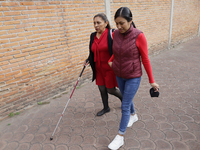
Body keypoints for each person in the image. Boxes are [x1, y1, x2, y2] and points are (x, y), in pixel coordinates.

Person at [107, 7, 159, 150]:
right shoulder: (115, 34)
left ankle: (120, 137)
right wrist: (110, 60)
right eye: (116, 23)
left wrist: (151, 80)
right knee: (125, 98)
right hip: (119, 73)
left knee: (124, 105)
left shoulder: (139, 36)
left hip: (133, 76)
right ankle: (134, 115)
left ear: (130, 21)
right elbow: (116, 51)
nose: (118, 26)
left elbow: (145, 59)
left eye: (122, 23)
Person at [84, 13, 122, 116]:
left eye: (98, 23)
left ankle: (125, 100)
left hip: (109, 68)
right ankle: (106, 108)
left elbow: (119, 49)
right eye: (94, 23)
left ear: (106, 23)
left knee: (110, 89)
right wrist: (88, 59)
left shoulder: (111, 33)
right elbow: (93, 51)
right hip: (98, 68)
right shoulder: (93, 35)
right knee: (101, 88)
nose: (96, 25)